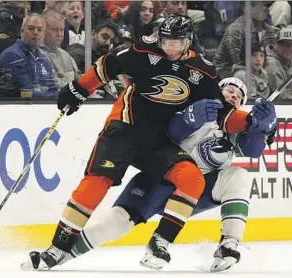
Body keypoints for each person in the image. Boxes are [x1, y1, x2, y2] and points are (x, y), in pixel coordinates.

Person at [23, 14, 237, 270]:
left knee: (192, 178)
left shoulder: (202, 69)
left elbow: (222, 110)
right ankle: (58, 247)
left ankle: (159, 242)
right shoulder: (140, 51)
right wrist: (79, 88)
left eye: (176, 43)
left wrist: (250, 124)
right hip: (125, 128)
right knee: (96, 181)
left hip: (160, 140)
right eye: (166, 41)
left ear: (188, 41)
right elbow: (107, 65)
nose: (169, 47)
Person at [56, 78, 277, 272]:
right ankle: (63, 253)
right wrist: (192, 117)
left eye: (239, 97)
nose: (233, 96)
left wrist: (261, 128)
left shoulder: (234, 130)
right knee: (115, 225)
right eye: (229, 90)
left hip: (195, 192)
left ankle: (228, 244)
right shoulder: (194, 105)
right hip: (160, 178)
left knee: (239, 175)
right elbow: (173, 131)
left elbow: (252, 150)